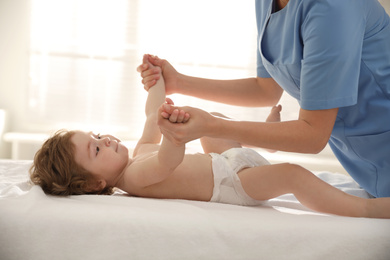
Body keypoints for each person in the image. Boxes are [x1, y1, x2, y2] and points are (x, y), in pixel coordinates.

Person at [29, 57, 390, 219]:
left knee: (214, 120)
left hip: (228, 162)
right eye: (95, 148)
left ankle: (266, 139)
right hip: (235, 183)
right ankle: (364, 209)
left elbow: (149, 114)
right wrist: (175, 136)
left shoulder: (136, 151)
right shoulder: (133, 178)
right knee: (292, 174)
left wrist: (156, 81)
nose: (105, 139)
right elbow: (167, 161)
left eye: (97, 135)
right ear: (96, 184)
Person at [137, 0, 390, 198]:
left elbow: (313, 135)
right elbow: (266, 89)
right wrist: (179, 82)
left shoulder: (333, 7)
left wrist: (211, 125)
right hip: (366, 167)